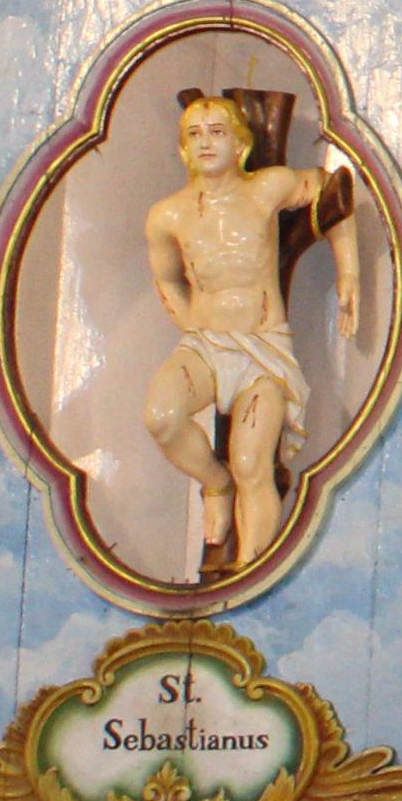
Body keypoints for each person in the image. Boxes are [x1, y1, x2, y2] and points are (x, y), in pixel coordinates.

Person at [136, 82, 360, 583]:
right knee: (162, 416)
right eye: (194, 134)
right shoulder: (167, 214)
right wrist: (189, 320)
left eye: (217, 131)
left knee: (251, 461)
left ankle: (249, 576)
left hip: (262, 351)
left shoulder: (267, 188)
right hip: (206, 344)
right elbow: (167, 277)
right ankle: (215, 486)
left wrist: (350, 274)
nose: (206, 142)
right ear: (182, 148)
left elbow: (335, 192)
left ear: (241, 145)